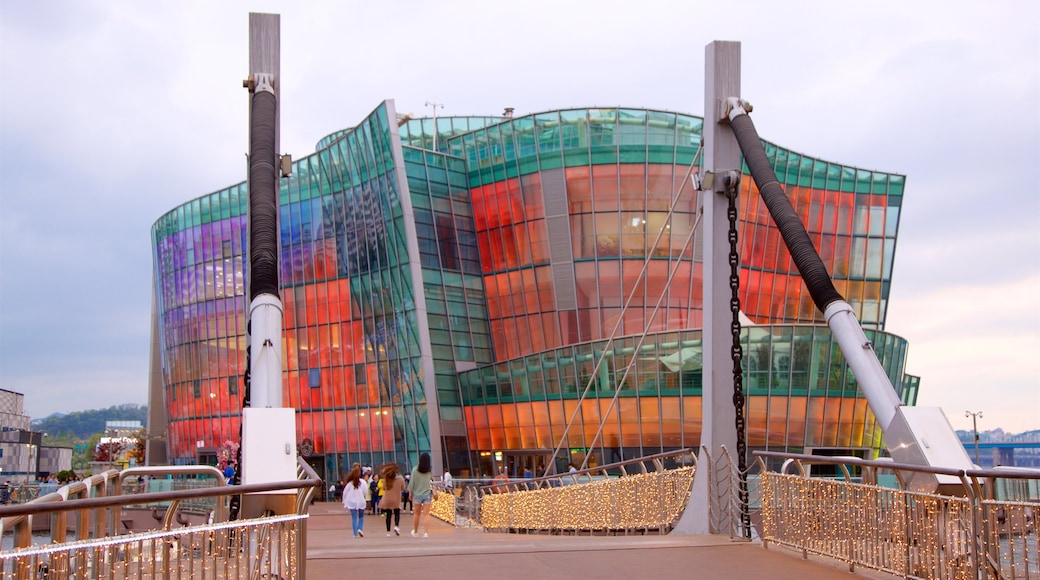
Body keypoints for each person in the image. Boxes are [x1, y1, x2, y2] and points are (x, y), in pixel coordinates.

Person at [407, 452, 434, 538]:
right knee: (426, 514)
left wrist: (410, 492)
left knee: (417, 514)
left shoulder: (415, 469)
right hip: (427, 494)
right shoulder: (429, 471)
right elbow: (431, 482)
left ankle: (415, 531)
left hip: (417, 494)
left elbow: (412, 482)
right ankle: (426, 533)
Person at [377, 463, 406, 537]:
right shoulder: (400, 478)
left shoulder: (386, 479)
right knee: (397, 513)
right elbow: (403, 488)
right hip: (396, 499)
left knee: (388, 515)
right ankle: (396, 526)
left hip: (387, 499)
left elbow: (383, 488)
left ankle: (388, 532)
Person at [341, 466, 369, 538]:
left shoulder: (350, 483)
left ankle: (355, 533)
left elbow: (345, 493)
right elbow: (365, 492)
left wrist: (344, 501)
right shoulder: (362, 482)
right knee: (361, 516)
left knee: (354, 517)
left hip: (351, 502)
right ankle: (360, 528)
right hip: (361, 501)